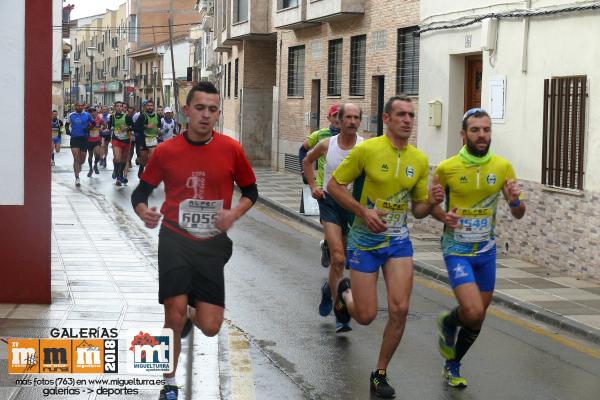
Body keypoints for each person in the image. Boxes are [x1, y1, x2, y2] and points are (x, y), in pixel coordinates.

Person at [130, 82, 258, 400]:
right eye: (199, 108)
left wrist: (234, 214)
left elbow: (252, 192)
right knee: (171, 313)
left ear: (218, 113)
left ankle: (191, 313)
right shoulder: (166, 151)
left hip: (212, 243)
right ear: (186, 111)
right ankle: (168, 382)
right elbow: (140, 192)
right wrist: (144, 211)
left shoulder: (231, 149)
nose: (206, 115)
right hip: (174, 237)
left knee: (211, 326)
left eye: (212, 109)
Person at [327, 95, 444, 399]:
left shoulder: (418, 159)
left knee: (400, 308)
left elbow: (417, 210)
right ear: (386, 119)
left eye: (411, 115)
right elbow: (335, 187)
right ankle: (345, 292)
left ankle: (380, 373)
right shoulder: (367, 150)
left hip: (397, 242)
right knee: (365, 316)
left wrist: (432, 202)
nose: (407, 120)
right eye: (401, 114)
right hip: (365, 242)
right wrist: (362, 211)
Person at [431, 108, 525, 388]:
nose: (482, 135)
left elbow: (518, 212)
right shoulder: (447, 168)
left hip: (486, 252)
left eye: (486, 130)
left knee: (477, 319)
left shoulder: (502, 167)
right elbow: (431, 206)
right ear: (463, 134)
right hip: (456, 248)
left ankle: (453, 364)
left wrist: (517, 200)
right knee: (471, 311)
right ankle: (449, 321)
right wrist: (442, 216)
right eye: (475, 130)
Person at [303, 103, 364, 333]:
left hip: (352, 205)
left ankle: (329, 290)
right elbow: (307, 161)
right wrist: (312, 186)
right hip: (329, 202)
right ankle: (341, 315)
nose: (352, 121)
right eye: (348, 117)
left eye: (356, 117)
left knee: (344, 257)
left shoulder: (365, 147)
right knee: (338, 258)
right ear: (339, 120)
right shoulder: (327, 144)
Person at [299, 103, 341, 269]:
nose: (338, 119)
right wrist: (306, 174)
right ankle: (329, 247)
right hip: (324, 189)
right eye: (335, 115)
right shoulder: (320, 135)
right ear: (328, 118)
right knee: (328, 223)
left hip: (345, 189)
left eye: (340, 115)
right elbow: (303, 151)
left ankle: (329, 245)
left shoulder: (351, 137)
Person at [65, 102, 95, 186]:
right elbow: (66, 125)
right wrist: (67, 130)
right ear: (75, 106)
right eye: (78, 105)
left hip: (84, 139)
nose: (79, 107)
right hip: (74, 138)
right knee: (76, 158)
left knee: (82, 160)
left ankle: (79, 165)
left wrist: (88, 129)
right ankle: (77, 178)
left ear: (83, 107)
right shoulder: (71, 115)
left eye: (81, 106)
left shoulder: (87, 115)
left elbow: (93, 123)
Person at [134, 100, 162, 177]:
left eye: (151, 105)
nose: (150, 107)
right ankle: (141, 167)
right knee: (144, 160)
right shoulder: (142, 116)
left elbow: (159, 125)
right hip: (143, 139)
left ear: (153, 107)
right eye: (148, 105)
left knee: (152, 159)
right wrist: (146, 126)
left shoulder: (158, 116)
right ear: (145, 107)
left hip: (153, 139)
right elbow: (135, 128)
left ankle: (148, 175)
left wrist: (159, 129)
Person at [110, 101, 132, 186]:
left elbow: (133, 126)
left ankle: (120, 173)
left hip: (126, 141)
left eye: (120, 106)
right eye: (117, 106)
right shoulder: (112, 117)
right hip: (116, 139)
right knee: (117, 158)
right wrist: (109, 128)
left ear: (122, 108)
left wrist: (126, 128)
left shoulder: (127, 117)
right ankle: (118, 174)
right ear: (115, 107)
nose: (119, 107)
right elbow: (110, 126)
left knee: (123, 160)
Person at [85, 108, 102, 177]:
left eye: (94, 112)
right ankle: (90, 169)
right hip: (89, 140)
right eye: (91, 112)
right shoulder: (87, 120)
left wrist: (102, 128)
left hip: (97, 140)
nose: (93, 113)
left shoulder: (99, 119)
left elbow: (105, 125)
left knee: (97, 154)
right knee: (90, 156)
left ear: (96, 112)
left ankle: (95, 165)